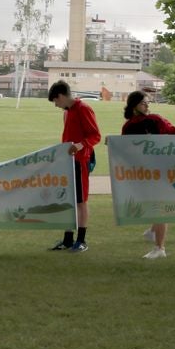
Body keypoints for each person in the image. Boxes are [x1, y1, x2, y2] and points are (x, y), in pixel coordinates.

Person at [121, 91, 175, 259]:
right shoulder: (128, 127)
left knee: (160, 208)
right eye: (144, 102)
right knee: (155, 208)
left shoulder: (155, 120)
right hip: (144, 174)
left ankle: (159, 248)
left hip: (161, 171)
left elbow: (171, 129)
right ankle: (156, 240)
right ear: (134, 105)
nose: (147, 105)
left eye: (147, 102)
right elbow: (124, 149)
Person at [47, 81, 101, 253]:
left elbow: (95, 135)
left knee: (80, 201)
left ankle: (82, 240)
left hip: (80, 161)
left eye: (56, 101)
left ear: (61, 96)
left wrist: (79, 145)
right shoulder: (67, 112)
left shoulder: (83, 109)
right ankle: (68, 239)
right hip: (67, 161)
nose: (56, 105)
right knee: (68, 200)